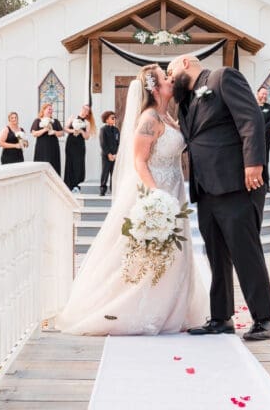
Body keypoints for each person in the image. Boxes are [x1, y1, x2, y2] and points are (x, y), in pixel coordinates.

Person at [56, 65, 207, 335]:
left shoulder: (169, 117)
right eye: (165, 78)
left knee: (172, 253)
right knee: (145, 254)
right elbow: (139, 161)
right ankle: (138, 307)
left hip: (174, 190)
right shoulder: (149, 119)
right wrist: (156, 197)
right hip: (155, 192)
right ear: (155, 88)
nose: (171, 79)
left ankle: (171, 306)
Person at [168, 54, 270, 341]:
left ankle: (264, 320)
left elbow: (251, 118)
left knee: (245, 251)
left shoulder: (222, 77)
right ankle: (221, 317)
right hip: (205, 188)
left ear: (186, 63)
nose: (170, 79)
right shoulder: (185, 102)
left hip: (236, 182)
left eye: (170, 72)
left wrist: (254, 163)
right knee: (215, 254)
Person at [64, 104, 95, 192]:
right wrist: (73, 130)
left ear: (88, 114)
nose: (85, 111)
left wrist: (81, 131)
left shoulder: (87, 123)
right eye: (84, 109)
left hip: (80, 145)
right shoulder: (72, 118)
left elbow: (87, 137)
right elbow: (65, 129)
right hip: (70, 143)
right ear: (81, 109)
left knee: (79, 164)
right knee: (70, 163)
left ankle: (77, 185)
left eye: (87, 110)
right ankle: (69, 185)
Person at [30, 103, 63, 175]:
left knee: (54, 165)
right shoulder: (38, 121)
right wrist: (44, 130)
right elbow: (34, 133)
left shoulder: (55, 121)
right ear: (43, 110)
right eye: (49, 109)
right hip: (42, 147)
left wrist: (54, 132)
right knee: (41, 165)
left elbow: (61, 133)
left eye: (52, 110)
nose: (51, 111)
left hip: (53, 147)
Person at [257, 87, 270, 191]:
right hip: (254, 140)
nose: (264, 96)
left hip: (265, 140)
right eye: (262, 94)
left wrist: (262, 129)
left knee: (265, 161)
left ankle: (266, 185)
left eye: (266, 94)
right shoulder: (252, 106)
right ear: (258, 93)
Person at [98, 110, 120, 196]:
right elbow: (103, 143)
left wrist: (116, 154)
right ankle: (102, 189)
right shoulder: (103, 130)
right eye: (112, 118)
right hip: (106, 155)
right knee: (105, 172)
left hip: (115, 155)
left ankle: (113, 189)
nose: (114, 119)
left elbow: (118, 142)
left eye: (115, 118)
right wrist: (108, 154)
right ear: (106, 120)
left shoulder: (116, 130)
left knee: (114, 173)